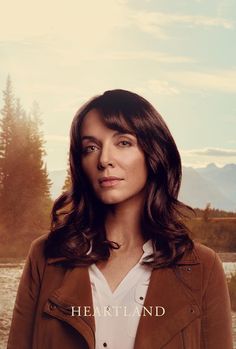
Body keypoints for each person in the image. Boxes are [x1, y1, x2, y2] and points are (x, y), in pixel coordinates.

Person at [7, 89, 233, 349]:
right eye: (90, 147)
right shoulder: (45, 257)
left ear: (154, 153)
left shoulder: (203, 267)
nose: (104, 160)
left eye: (123, 143)